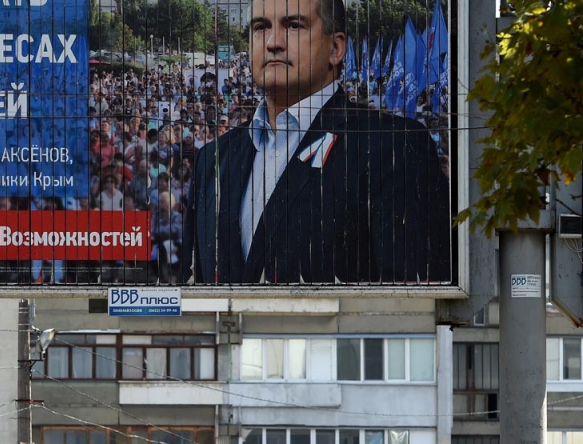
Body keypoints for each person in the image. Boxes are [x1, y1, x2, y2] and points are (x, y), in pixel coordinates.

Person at [182, 0, 451, 284]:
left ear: (335, 48)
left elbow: (414, 307)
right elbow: (191, 297)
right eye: (261, 27)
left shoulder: (392, 146)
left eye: (294, 25)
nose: (273, 42)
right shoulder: (212, 160)